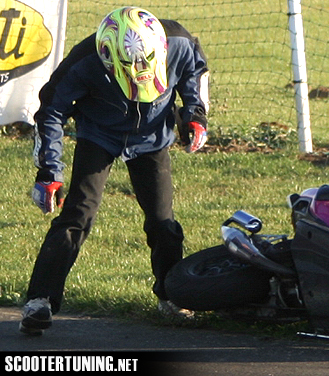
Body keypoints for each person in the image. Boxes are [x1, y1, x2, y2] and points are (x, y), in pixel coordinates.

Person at [20, 6, 209, 335]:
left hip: (152, 136)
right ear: (107, 55)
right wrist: (50, 171)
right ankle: (40, 300)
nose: (138, 70)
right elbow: (50, 111)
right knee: (77, 213)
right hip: (100, 134)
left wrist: (194, 114)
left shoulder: (178, 41)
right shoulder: (83, 61)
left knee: (163, 220)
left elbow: (193, 74)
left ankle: (172, 295)